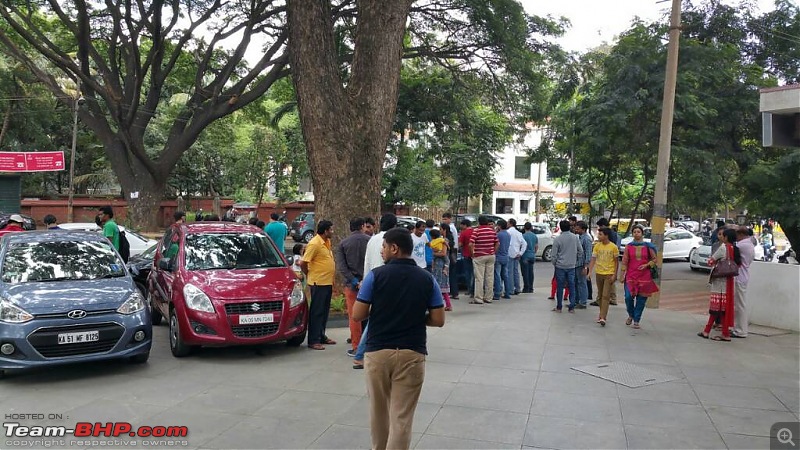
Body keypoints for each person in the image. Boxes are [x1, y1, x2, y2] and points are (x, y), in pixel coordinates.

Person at [352, 227, 445, 450]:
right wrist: (414, 317)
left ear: (394, 248)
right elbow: (438, 319)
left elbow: (358, 314)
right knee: (402, 418)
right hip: (412, 354)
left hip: (378, 353)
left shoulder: (375, 276)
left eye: (384, 247)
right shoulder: (427, 278)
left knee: (379, 411)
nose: (382, 251)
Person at [354, 213, 398, 370]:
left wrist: (365, 282)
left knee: (377, 317)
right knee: (376, 319)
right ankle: (360, 355)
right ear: (395, 225)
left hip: (372, 280)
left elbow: (367, 261)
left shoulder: (372, 239)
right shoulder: (393, 240)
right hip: (386, 282)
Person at [336, 217, 371, 356]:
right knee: (371, 313)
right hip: (369, 283)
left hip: (352, 285)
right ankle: (370, 343)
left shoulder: (343, 243)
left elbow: (342, 268)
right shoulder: (369, 241)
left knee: (354, 316)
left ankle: (356, 346)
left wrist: (355, 281)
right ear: (362, 226)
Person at [698, 228, 741, 341]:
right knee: (723, 309)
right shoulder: (735, 249)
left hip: (719, 282)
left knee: (715, 308)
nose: (721, 237)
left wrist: (715, 263)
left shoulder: (723, 248)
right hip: (729, 281)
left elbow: (711, 261)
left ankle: (708, 331)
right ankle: (724, 332)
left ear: (726, 237)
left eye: (723, 235)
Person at [299, 220, 336, 350]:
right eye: (331, 229)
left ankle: (321, 335)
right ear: (325, 231)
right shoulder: (314, 243)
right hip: (318, 282)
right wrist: (308, 274)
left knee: (324, 311)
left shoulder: (326, 242)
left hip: (327, 281)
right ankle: (313, 340)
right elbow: (303, 262)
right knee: (317, 312)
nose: (332, 232)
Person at [620, 224, 659, 329]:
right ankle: (631, 315)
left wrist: (646, 265)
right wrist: (622, 274)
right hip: (631, 275)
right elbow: (624, 261)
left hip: (644, 276)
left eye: (638, 232)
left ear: (642, 233)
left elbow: (655, 259)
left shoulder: (648, 246)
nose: (636, 234)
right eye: (634, 232)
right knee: (628, 297)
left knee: (641, 300)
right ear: (632, 234)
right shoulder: (629, 246)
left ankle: (636, 320)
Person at [588, 227, 618, 326]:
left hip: (609, 274)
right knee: (600, 295)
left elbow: (616, 262)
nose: (598, 236)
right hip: (599, 273)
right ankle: (601, 314)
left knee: (606, 296)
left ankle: (603, 317)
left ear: (606, 235)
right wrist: (590, 271)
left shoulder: (613, 247)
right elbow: (593, 259)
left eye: (600, 234)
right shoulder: (597, 246)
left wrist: (615, 274)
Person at [551, 220, 583, 313]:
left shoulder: (558, 239)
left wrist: (555, 263)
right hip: (571, 266)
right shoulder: (575, 238)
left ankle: (559, 307)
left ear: (560, 227)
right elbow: (580, 251)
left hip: (560, 266)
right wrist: (575, 260)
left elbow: (553, 255)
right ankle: (571, 307)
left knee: (560, 286)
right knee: (572, 286)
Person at [732, 227, 755, 338]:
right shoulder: (750, 244)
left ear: (741, 234)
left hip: (740, 277)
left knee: (740, 305)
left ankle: (740, 330)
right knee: (740, 304)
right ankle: (739, 328)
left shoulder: (742, 245)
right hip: (744, 276)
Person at [470, 215, 499, 305]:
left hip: (479, 256)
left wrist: (472, 254)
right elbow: (497, 243)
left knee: (479, 278)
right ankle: (488, 297)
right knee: (490, 277)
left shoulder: (477, 231)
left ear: (479, 222)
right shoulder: (492, 231)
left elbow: (471, 244)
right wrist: (493, 251)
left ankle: (479, 298)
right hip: (490, 256)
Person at [594, 218, 619, 306]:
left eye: (600, 226)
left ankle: (603, 299)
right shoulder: (613, 233)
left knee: (607, 284)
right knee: (610, 284)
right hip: (606, 264)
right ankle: (612, 298)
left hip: (608, 262)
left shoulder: (609, 234)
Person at [429, 228, 453, 311]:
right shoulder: (438, 242)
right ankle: (446, 304)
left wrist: (435, 253)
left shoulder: (442, 241)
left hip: (441, 267)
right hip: (437, 267)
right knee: (441, 288)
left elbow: (444, 254)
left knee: (440, 287)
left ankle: (444, 305)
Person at [574, 221, 593, 309]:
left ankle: (583, 302)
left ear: (583, 229)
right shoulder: (579, 237)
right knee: (577, 283)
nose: (576, 230)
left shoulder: (587, 239)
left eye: (578, 229)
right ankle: (576, 300)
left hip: (582, 264)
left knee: (582, 283)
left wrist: (586, 267)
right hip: (577, 263)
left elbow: (588, 253)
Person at [493, 219, 513, 300]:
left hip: (498, 256)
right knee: (505, 275)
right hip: (506, 256)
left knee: (497, 276)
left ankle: (497, 294)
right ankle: (507, 292)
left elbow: (496, 244)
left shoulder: (498, 235)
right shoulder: (508, 234)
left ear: (499, 226)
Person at [442, 212, 460, 299]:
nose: (444, 221)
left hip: (451, 252)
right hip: (453, 251)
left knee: (449, 272)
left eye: (445, 219)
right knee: (452, 272)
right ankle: (454, 292)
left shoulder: (451, 228)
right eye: (443, 219)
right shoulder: (453, 227)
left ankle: (451, 291)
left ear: (450, 219)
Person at [506, 218, 527, 295]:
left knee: (509, 272)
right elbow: (524, 244)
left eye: (508, 223)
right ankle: (517, 288)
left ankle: (510, 289)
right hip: (516, 254)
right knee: (515, 272)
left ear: (510, 223)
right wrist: (521, 253)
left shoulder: (508, 232)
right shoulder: (518, 233)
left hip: (509, 253)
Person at [458, 219, 474, 297]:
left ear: (464, 225)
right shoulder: (475, 231)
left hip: (466, 255)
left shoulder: (463, 233)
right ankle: (474, 289)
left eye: (461, 225)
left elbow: (460, 244)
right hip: (475, 255)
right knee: (475, 273)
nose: (460, 226)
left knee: (468, 273)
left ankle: (470, 290)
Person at [521, 222, 538, 293]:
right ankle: (531, 287)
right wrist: (534, 253)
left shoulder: (523, 236)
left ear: (524, 228)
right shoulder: (534, 236)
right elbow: (536, 246)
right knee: (531, 272)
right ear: (531, 228)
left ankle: (526, 287)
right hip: (532, 255)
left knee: (525, 273)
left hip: (525, 256)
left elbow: (521, 246)